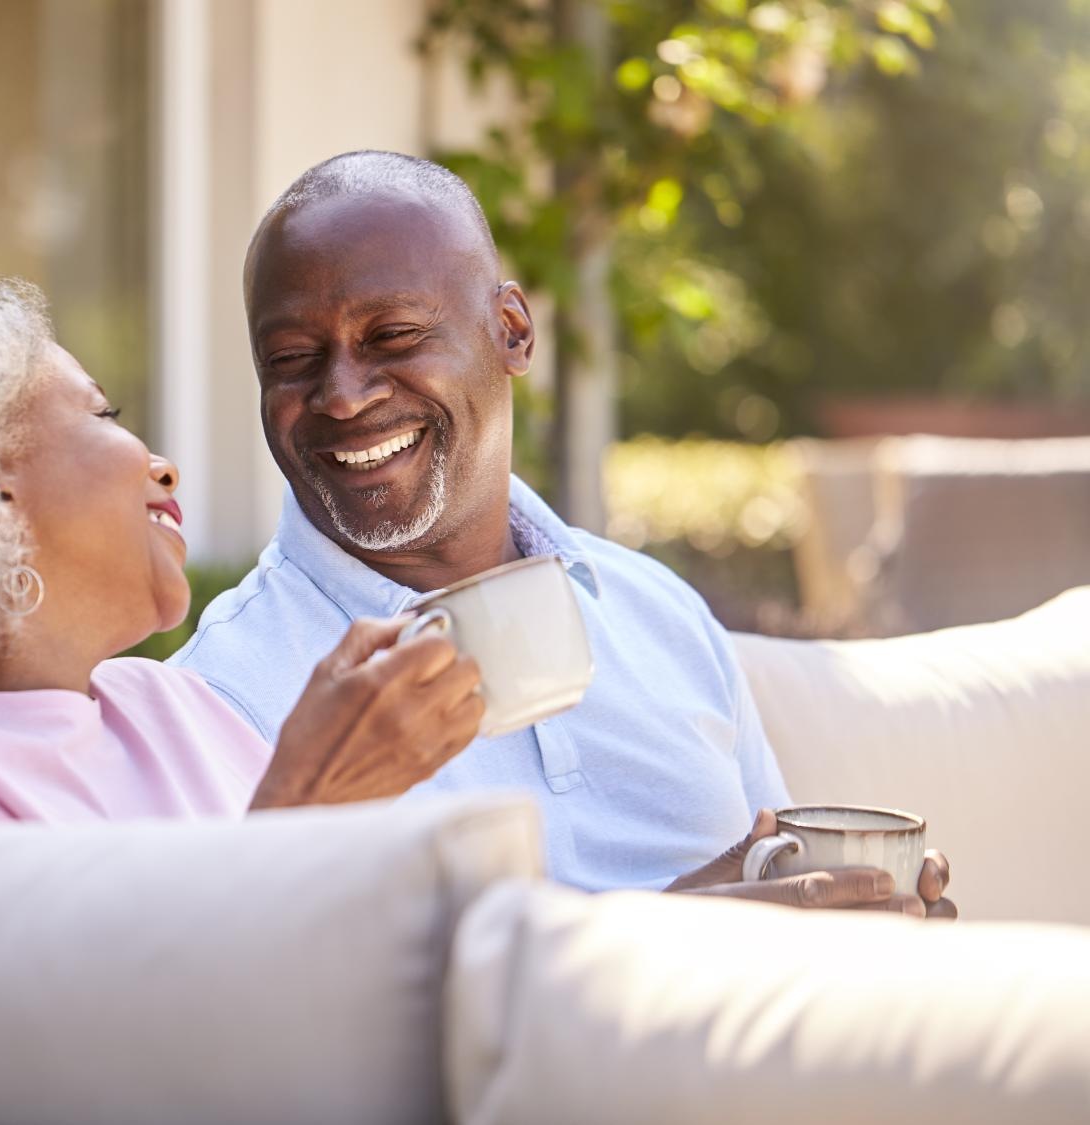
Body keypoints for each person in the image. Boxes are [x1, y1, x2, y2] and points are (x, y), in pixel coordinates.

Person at [169, 150, 955, 917]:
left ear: (511, 330)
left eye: (394, 336)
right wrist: (662, 943)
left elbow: (776, 879)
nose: (341, 396)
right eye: (293, 357)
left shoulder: (656, 612)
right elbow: (267, 1016)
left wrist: (861, 930)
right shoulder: (225, 693)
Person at [0, 280, 486, 823]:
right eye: (102, 415)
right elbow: (35, 1053)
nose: (163, 464)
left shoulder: (178, 709)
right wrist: (307, 806)